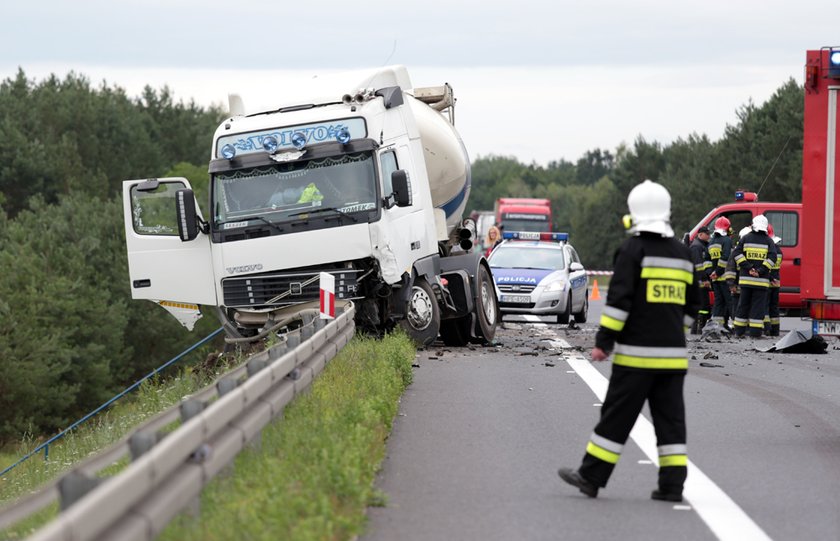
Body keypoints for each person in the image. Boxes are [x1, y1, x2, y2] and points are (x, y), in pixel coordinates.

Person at [558, 180, 700, 502]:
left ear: (634, 214)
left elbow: (619, 304)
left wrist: (603, 343)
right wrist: (674, 330)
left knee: (616, 418)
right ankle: (672, 487)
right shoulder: (682, 254)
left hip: (636, 359)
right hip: (673, 359)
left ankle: (591, 477)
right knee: (671, 423)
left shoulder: (632, 251)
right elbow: (694, 306)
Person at [731, 215, 777, 338]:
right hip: (761, 282)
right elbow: (773, 258)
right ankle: (755, 333)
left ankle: (739, 332)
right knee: (758, 307)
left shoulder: (745, 238)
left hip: (746, 280)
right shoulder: (769, 241)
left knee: (743, 305)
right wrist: (760, 271)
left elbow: (736, 253)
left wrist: (748, 267)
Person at [707, 217, 734, 329]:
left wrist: (711, 272)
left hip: (714, 278)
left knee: (718, 302)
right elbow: (725, 258)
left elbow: (707, 259)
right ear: (727, 228)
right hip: (724, 277)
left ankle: (717, 327)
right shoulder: (726, 240)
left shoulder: (712, 241)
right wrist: (718, 272)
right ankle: (737, 327)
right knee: (730, 302)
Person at [689, 226, 712, 333]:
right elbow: (698, 265)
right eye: (707, 234)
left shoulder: (702, 245)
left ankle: (699, 328)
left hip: (702, 281)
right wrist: (704, 279)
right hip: (699, 282)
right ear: (700, 234)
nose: (709, 236)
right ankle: (696, 329)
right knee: (701, 306)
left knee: (704, 306)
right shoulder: (696, 247)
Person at [764, 224, 782, 336]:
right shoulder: (779, 250)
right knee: (774, 307)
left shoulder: (767, 250)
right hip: (776, 282)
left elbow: (765, 266)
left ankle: (766, 329)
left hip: (767, 281)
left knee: (765, 306)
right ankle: (775, 330)